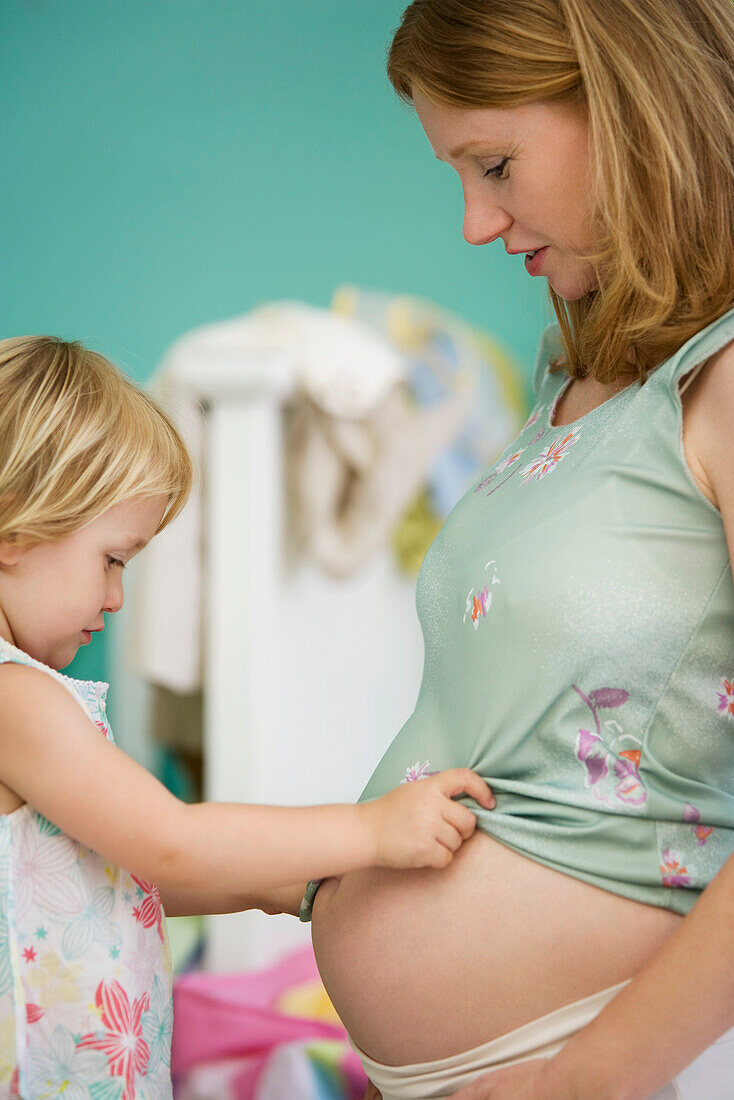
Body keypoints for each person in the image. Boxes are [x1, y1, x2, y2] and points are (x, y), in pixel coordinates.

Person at [295, 1, 734, 1097]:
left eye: (492, 163)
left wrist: (598, 1069)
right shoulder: (576, 378)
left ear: (635, 108)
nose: (473, 224)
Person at [0, 335, 494, 1098]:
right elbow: (167, 843)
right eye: (113, 559)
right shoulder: (14, 697)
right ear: (16, 532)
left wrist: (274, 884)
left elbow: (109, 876)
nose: (116, 598)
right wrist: (370, 829)